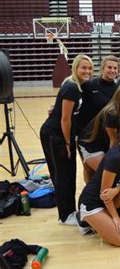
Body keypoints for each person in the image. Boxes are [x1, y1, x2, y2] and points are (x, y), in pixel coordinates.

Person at [40, 54, 93, 225]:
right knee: (63, 174)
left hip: (62, 135)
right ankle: (65, 215)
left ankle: (69, 210)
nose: (87, 71)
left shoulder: (77, 86)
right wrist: (68, 143)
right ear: (75, 68)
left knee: (68, 173)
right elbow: (65, 119)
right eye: (83, 67)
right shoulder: (71, 87)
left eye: (90, 68)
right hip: (55, 135)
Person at [77, 120, 120, 246]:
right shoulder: (115, 157)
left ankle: (107, 219)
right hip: (92, 203)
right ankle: (84, 219)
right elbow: (104, 195)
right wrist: (116, 218)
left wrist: (117, 189)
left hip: (108, 199)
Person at [78, 83, 120, 182]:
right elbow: (113, 141)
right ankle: (90, 196)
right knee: (108, 173)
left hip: (104, 142)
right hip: (91, 144)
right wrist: (115, 163)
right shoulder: (112, 113)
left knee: (107, 175)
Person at [77, 55, 119, 130]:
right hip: (88, 130)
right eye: (109, 67)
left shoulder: (118, 89)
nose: (112, 70)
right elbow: (74, 103)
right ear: (102, 69)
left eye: (115, 68)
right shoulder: (88, 85)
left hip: (107, 131)